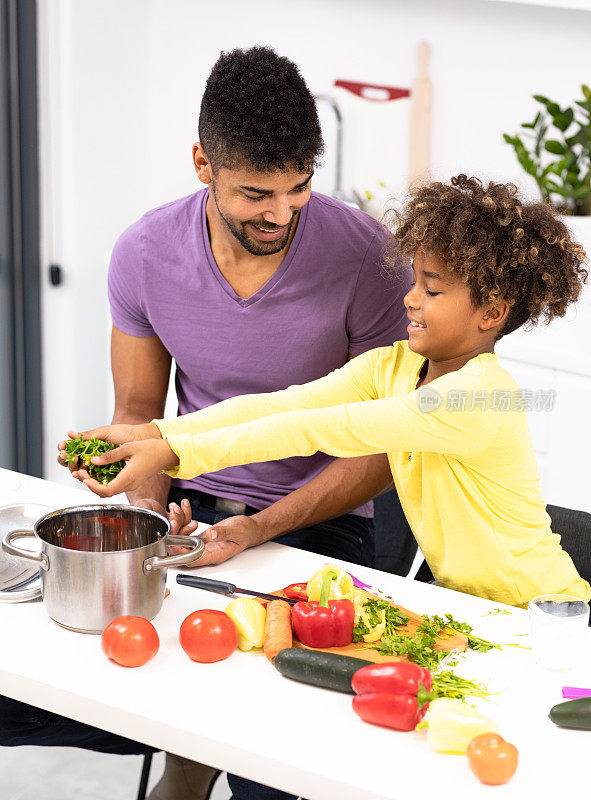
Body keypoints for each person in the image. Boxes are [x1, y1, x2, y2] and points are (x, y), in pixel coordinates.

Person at [51, 44, 410, 800]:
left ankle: (197, 761)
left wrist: (260, 527)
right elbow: (138, 416)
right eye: (256, 193)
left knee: (276, 767)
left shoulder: (369, 260)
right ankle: (190, 751)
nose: (281, 213)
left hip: (320, 521)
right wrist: (151, 512)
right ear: (202, 164)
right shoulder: (146, 254)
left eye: (299, 187)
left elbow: (379, 451)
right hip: (194, 505)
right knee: (63, 674)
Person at [78, 175, 591, 609]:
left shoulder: (471, 397)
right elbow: (287, 404)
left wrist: (171, 452)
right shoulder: (395, 366)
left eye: (432, 290)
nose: (410, 299)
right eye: (414, 281)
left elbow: (316, 428)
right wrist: (150, 433)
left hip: (538, 610)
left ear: (492, 313)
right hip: (465, 601)